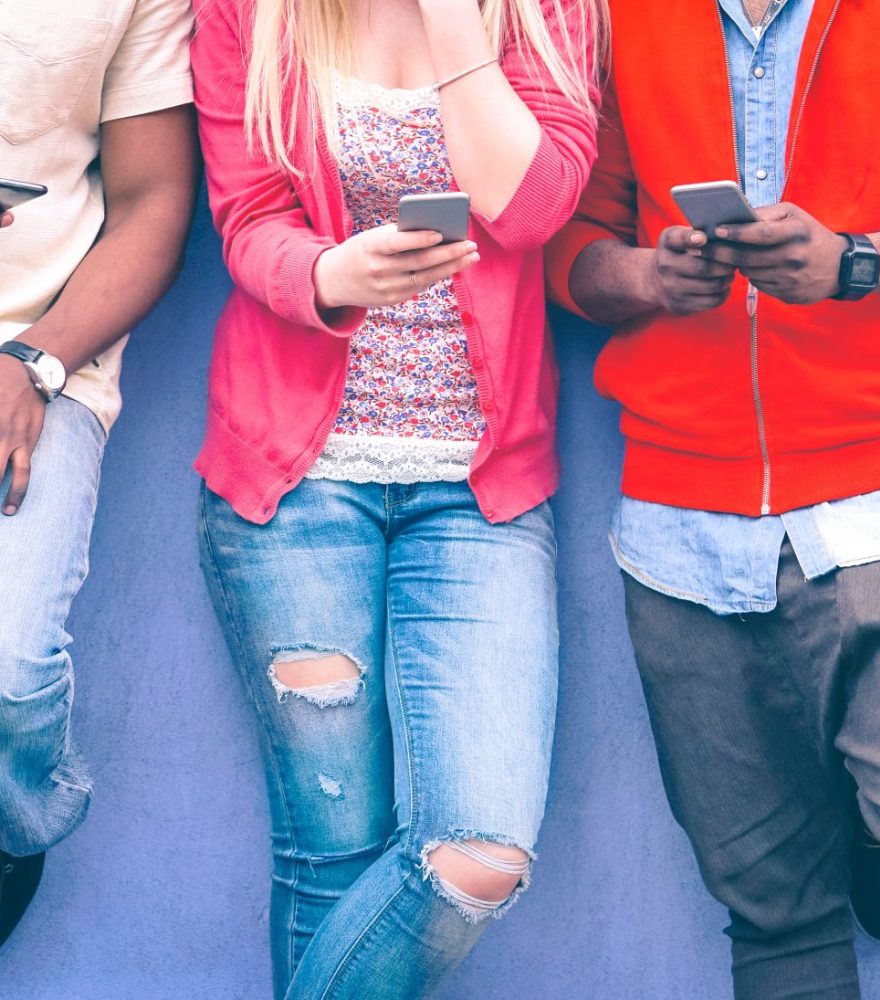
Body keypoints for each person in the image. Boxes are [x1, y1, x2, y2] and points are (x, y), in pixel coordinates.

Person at [545, 1, 880, 996]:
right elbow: (568, 240)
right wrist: (650, 276)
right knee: (773, 912)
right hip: (682, 517)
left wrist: (855, 262)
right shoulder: (612, 10)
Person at [190, 0, 600, 994]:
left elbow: (533, 208)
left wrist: (459, 21)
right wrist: (334, 271)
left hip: (481, 496)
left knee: (479, 850)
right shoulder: (249, 11)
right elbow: (247, 221)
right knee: (328, 853)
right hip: (294, 485)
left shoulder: (547, 13)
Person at [0, 0, 197, 949]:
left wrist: (34, 360)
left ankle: (13, 831)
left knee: (8, 665)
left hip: (38, 357)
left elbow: (154, 198)